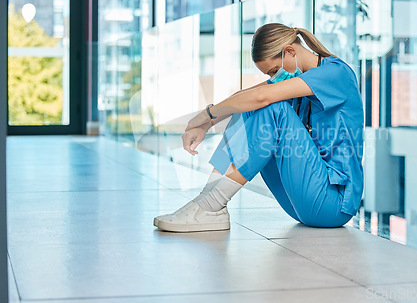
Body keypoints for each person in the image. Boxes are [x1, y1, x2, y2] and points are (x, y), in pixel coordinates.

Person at [153, 23, 364, 232]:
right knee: (247, 107)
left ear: (289, 51)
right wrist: (206, 124)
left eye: (274, 71)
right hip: (298, 203)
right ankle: (208, 200)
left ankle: (211, 206)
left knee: (272, 107)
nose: (273, 78)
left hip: (333, 204)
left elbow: (261, 97)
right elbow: (243, 98)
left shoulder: (336, 73)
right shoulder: (300, 79)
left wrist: (203, 115)